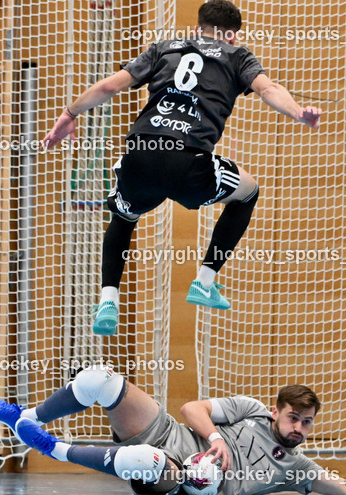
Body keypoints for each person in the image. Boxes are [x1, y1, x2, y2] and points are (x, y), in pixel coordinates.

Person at [41, 0, 322, 335]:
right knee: (248, 192)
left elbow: (109, 86)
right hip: (189, 163)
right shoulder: (238, 56)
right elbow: (269, 89)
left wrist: (69, 114)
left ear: (197, 28)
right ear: (232, 36)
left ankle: (108, 300)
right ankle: (205, 280)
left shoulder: (164, 48)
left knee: (124, 215)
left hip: (140, 156)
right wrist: (297, 113)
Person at [0, 365, 346, 495]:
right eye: (293, 418)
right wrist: (217, 438)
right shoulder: (250, 410)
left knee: (149, 461)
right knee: (101, 380)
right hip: (170, 432)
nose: (299, 428)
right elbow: (191, 409)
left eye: (306, 423)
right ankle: (28, 417)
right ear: (276, 412)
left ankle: (53, 448)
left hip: (181, 476)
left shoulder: (296, 468)